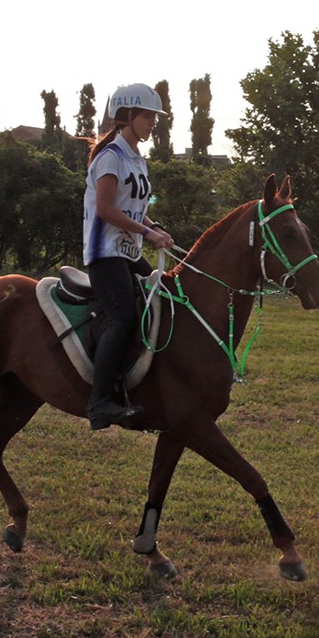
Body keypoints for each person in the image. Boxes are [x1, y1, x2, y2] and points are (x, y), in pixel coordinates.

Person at [80, 84, 175, 430]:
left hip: (128, 252)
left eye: (154, 117)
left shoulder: (136, 159)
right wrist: (148, 233)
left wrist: (154, 226)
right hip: (104, 253)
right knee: (121, 318)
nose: (153, 123)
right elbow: (106, 209)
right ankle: (100, 402)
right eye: (147, 116)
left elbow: (132, 207)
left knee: (163, 297)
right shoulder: (110, 157)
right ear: (127, 117)